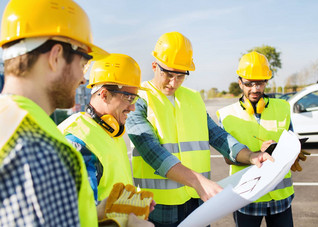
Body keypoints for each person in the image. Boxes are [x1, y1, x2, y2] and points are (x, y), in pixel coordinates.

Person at [125, 31, 273, 226]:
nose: (173, 82)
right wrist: (199, 182)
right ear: (155, 66)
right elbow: (151, 151)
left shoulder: (193, 98)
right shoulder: (138, 99)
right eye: (168, 75)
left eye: (180, 76)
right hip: (159, 206)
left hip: (198, 201)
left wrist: (250, 156)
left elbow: (217, 135)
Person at [0, 0, 109, 226]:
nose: (82, 79)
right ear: (56, 56)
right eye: (83, 62)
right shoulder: (41, 150)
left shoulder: (8, 121)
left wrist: (99, 214)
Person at [58, 53, 155, 226]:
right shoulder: (78, 140)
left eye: (135, 98)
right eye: (129, 98)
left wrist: (129, 206)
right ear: (104, 95)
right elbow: (79, 217)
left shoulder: (109, 131)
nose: (133, 107)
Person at [216, 51, 295, 227]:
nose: (255, 89)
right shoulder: (227, 115)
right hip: (246, 198)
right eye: (249, 83)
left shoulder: (283, 108)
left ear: (266, 81)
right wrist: (258, 154)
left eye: (260, 83)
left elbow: (292, 141)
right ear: (240, 82)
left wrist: (289, 151)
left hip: (280, 198)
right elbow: (228, 158)